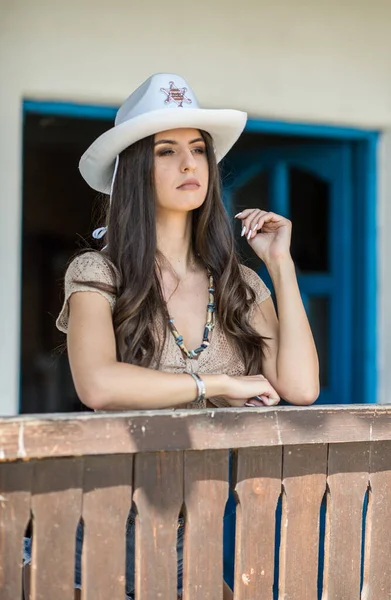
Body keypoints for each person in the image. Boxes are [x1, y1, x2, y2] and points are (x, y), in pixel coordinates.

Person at [23, 73, 319, 599]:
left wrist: (281, 264)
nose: (189, 164)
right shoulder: (98, 273)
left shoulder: (240, 284)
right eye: (166, 151)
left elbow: (300, 388)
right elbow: (98, 385)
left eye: (198, 150)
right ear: (136, 170)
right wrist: (219, 385)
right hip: (105, 520)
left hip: (198, 525)